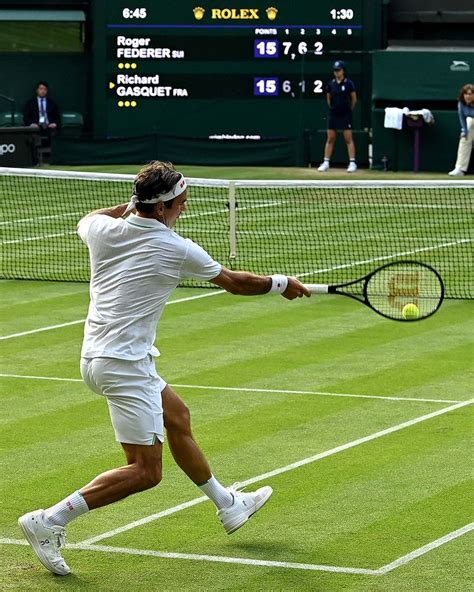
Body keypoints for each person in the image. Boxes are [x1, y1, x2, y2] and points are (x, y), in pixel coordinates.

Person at [18, 161, 311, 576]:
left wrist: (138, 203)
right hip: (123, 366)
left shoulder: (101, 230)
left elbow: (91, 217)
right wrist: (282, 283)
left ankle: (228, 505)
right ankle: (49, 521)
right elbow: (235, 282)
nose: (183, 210)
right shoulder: (175, 247)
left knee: (178, 416)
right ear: (161, 208)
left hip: (101, 358)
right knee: (144, 472)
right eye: (179, 204)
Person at [317, 60, 357, 173]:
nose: (336, 72)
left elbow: (354, 99)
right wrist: (333, 109)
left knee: (348, 139)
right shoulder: (330, 84)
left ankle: (352, 163)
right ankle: (326, 162)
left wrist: (348, 110)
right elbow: (328, 99)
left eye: (338, 70)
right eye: (335, 70)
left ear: (343, 71)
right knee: (330, 138)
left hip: (345, 114)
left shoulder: (349, 83)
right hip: (333, 114)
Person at [448, 83, 474, 176]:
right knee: (464, 137)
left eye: (471, 94)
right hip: (471, 123)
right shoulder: (461, 104)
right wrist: (465, 132)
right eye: (466, 94)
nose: (468, 96)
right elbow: (462, 118)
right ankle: (460, 168)